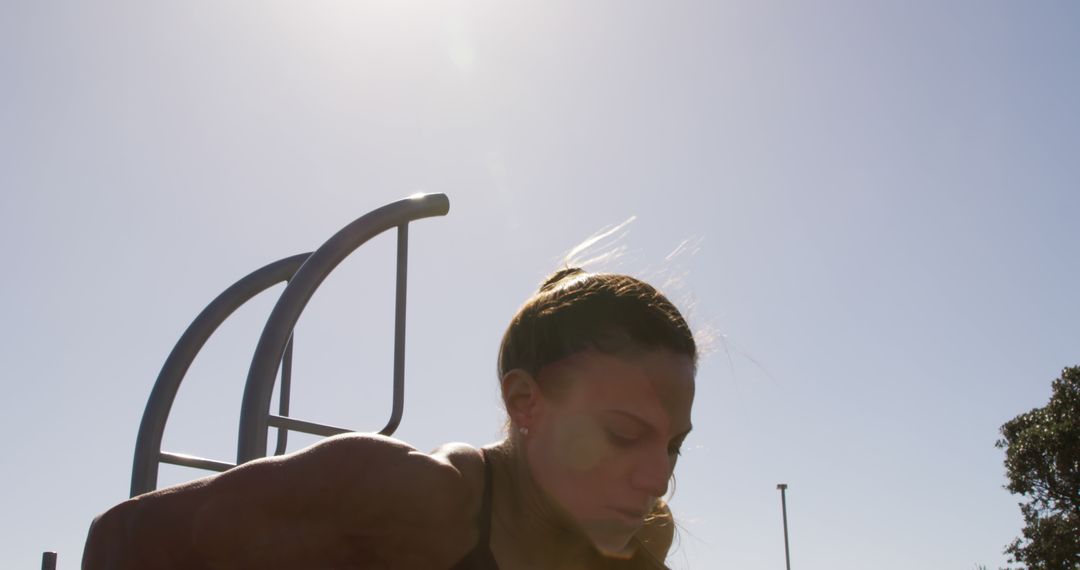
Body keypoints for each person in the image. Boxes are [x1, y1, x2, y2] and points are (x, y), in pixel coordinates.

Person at [82, 267, 697, 569]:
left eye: (673, 446)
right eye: (622, 436)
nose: (656, 478)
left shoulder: (636, 546)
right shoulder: (410, 498)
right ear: (524, 402)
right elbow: (122, 537)